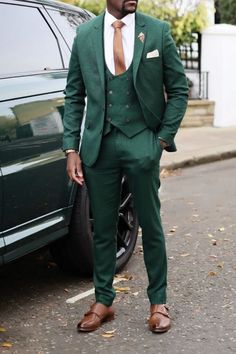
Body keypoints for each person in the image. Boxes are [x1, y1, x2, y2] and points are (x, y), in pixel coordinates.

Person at [63, 0, 188, 334]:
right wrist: (70, 148)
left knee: (151, 223)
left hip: (142, 140)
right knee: (102, 227)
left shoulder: (157, 31)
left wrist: (160, 139)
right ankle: (103, 300)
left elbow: (178, 90)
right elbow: (74, 94)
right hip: (99, 144)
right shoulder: (85, 35)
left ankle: (158, 301)